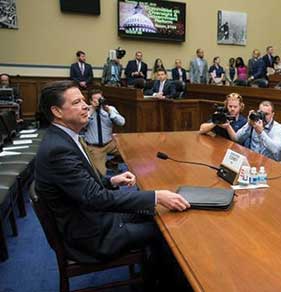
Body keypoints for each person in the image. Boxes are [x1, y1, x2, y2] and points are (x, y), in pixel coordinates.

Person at [35, 80, 190, 284]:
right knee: (165, 232)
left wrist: (111, 180)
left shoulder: (65, 137)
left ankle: (155, 274)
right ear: (57, 111)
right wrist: (156, 196)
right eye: (76, 102)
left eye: (84, 100)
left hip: (92, 218)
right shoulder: (58, 150)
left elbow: (83, 185)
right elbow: (95, 198)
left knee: (155, 215)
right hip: (91, 236)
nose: (85, 106)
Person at [83, 89, 125, 176]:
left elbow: (122, 122)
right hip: (95, 148)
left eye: (101, 98)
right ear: (91, 101)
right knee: (100, 175)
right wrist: (92, 110)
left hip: (110, 144)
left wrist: (110, 112)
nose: (99, 101)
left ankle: (112, 162)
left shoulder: (109, 109)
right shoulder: (86, 110)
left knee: (131, 151)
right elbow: (81, 126)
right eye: (96, 99)